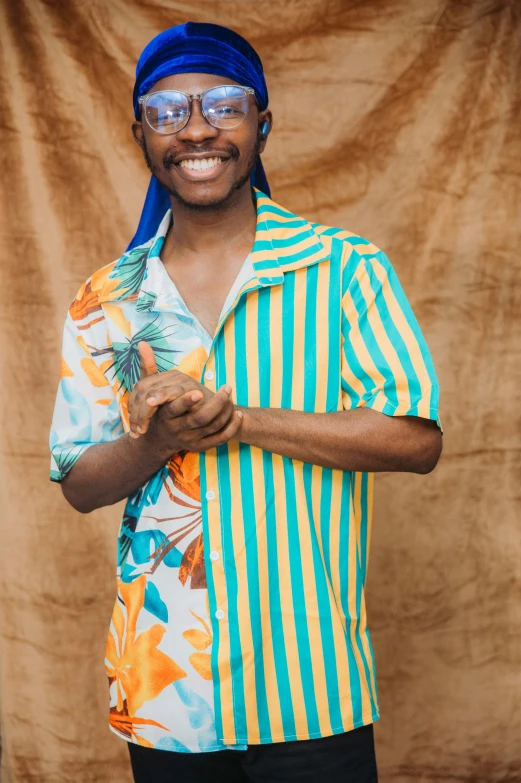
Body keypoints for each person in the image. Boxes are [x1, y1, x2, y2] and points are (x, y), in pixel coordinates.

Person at [49, 21, 442, 783]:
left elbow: (415, 441)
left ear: (262, 122)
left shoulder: (343, 268)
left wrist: (241, 422)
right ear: (141, 134)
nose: (196, 129)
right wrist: (155, 443)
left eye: (223, 105)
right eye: (168, 112)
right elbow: (78, 482)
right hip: (166, 687)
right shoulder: (108, 299)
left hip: (309, 680)